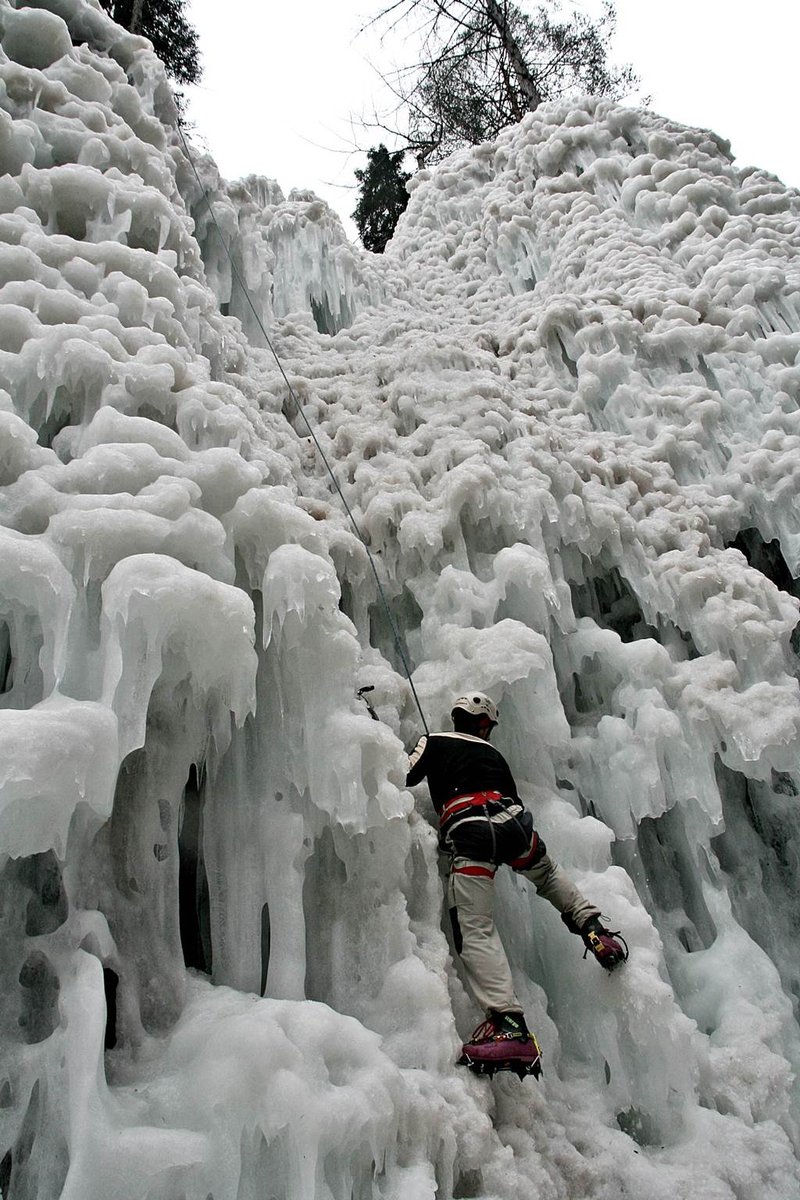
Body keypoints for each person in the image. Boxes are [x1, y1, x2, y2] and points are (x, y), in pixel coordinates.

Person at [406, 691, 627, 1076]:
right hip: (513, 827)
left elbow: (403, 771)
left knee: (473, 927)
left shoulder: (435, 740)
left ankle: (510, 1025)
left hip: (471, 831)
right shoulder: (495, 757)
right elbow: (512, 796)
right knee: (546, 872)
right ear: (485, 725)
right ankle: (595, 929)